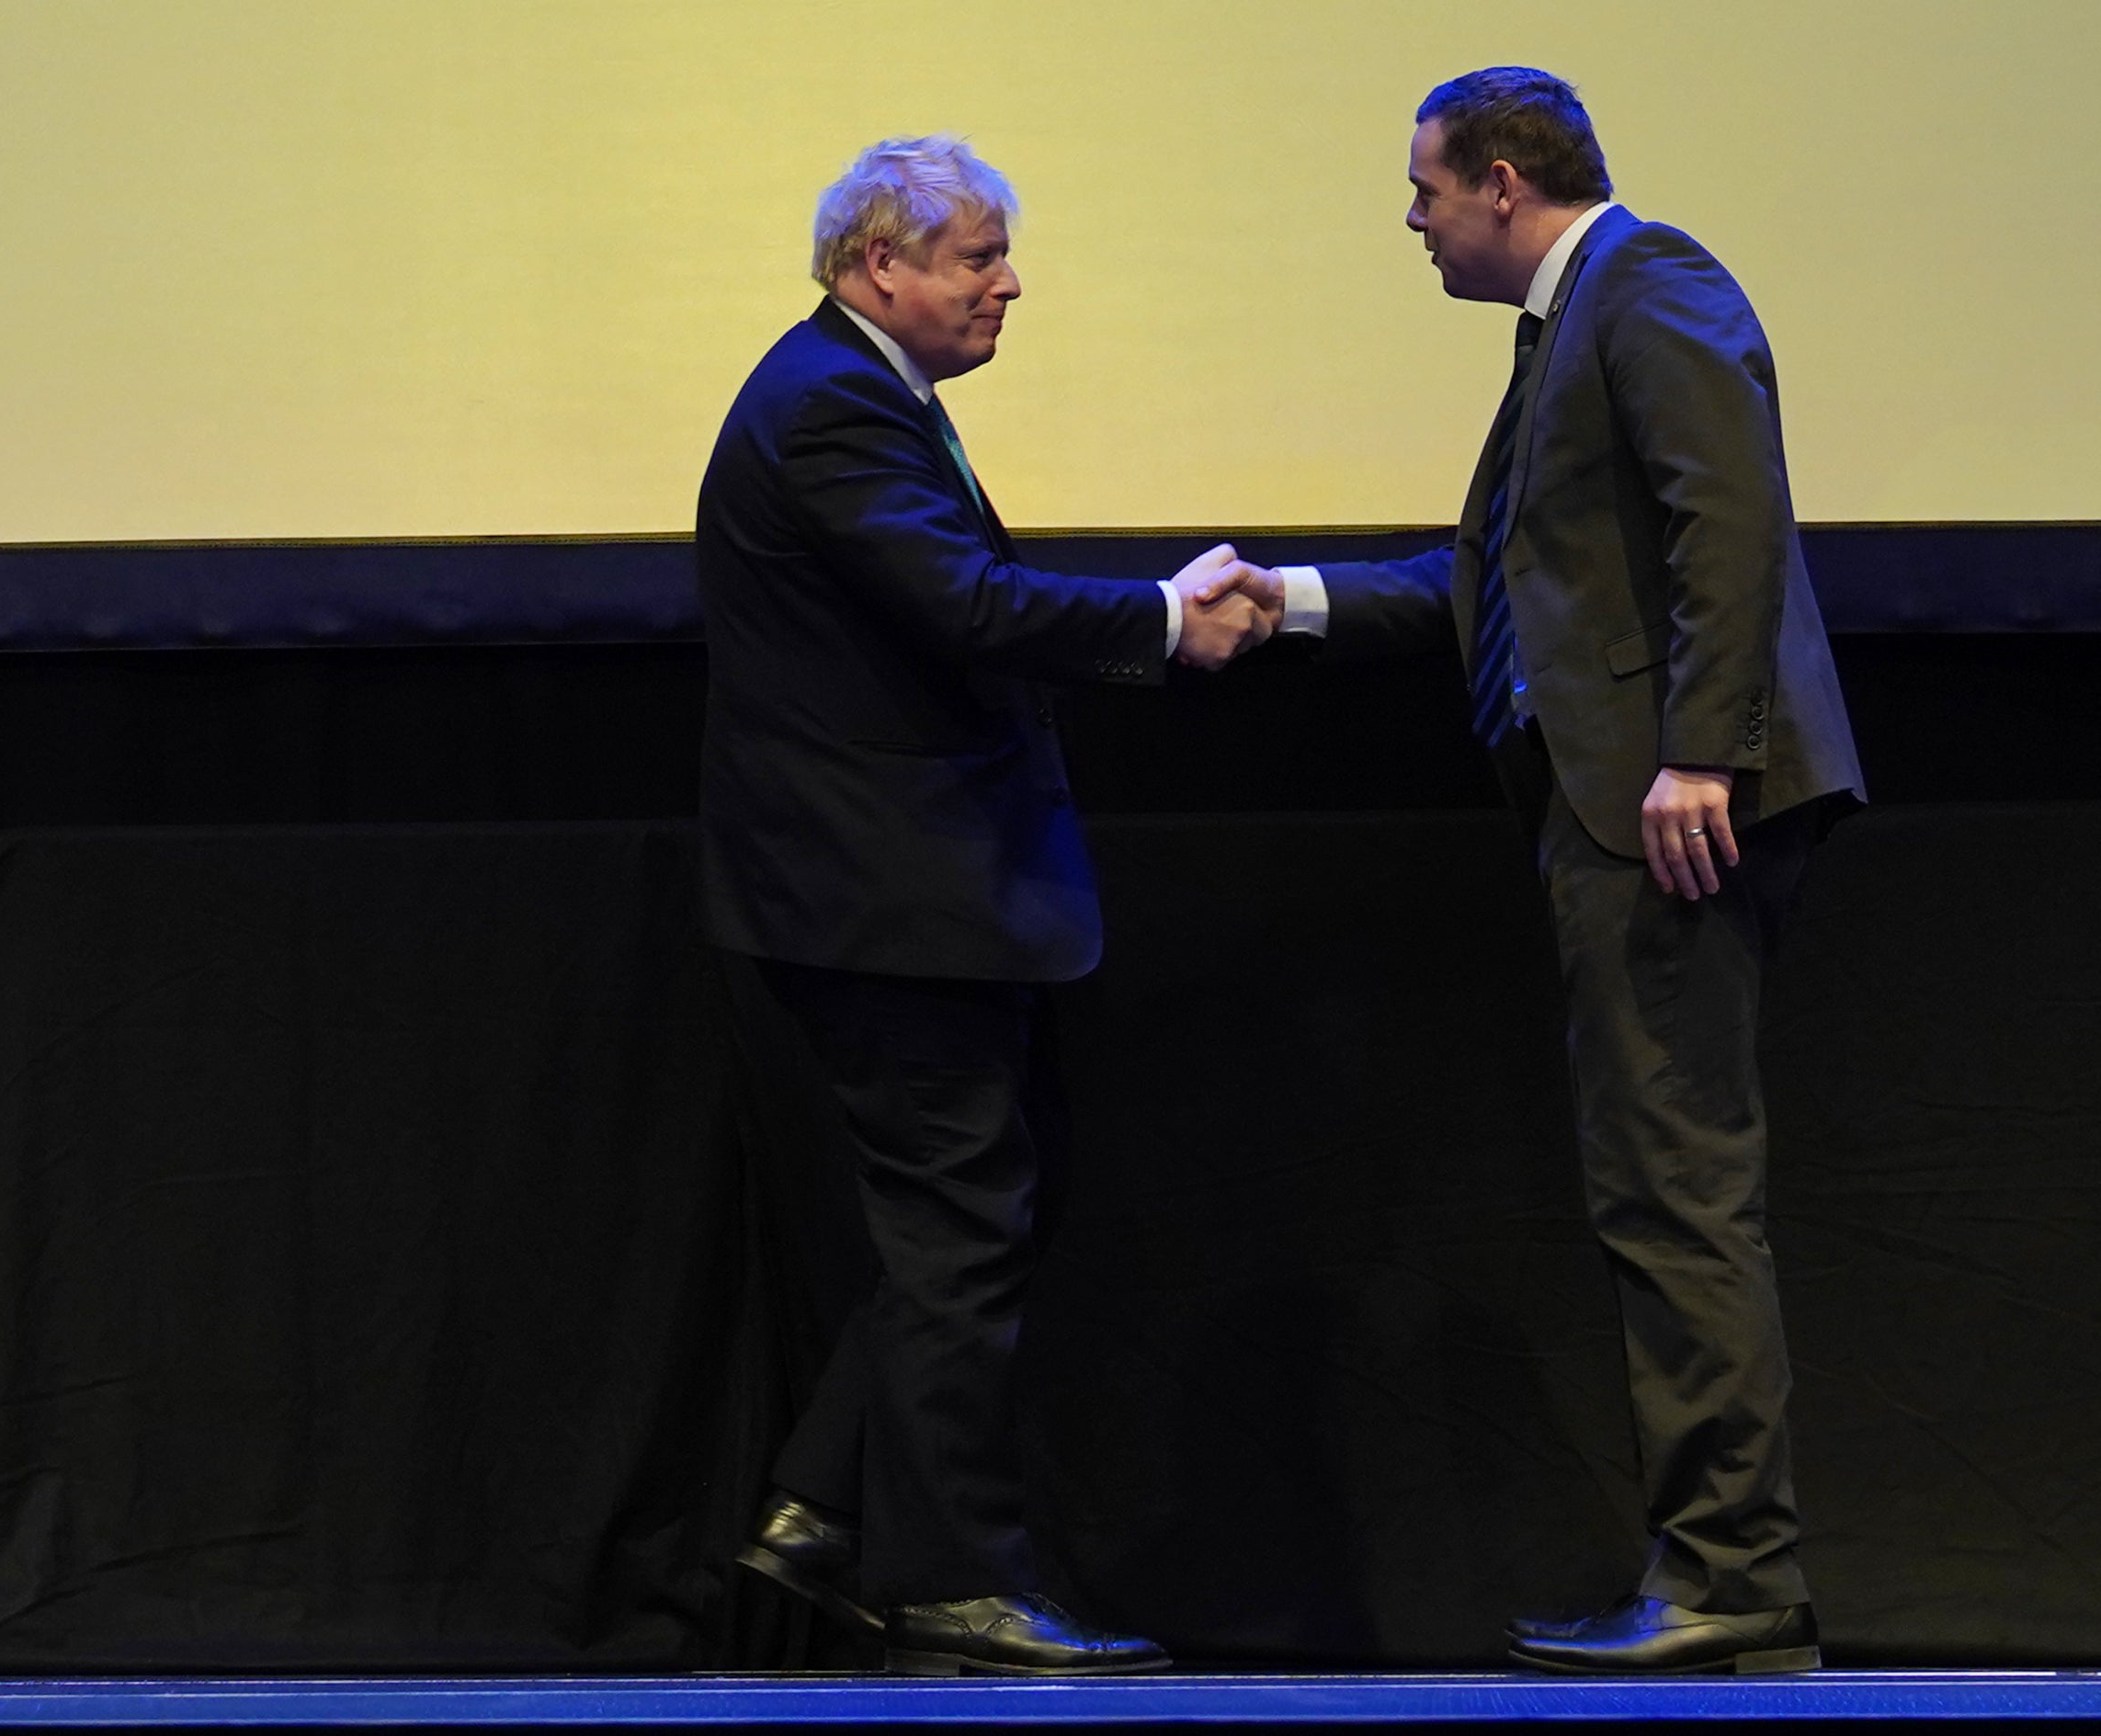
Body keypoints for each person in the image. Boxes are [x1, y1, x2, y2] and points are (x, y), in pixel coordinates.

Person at [1208, 67, 1864, 1674]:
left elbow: (1731, 515)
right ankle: (1717, 1568)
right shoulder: (1564, 328)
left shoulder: (1650, 281)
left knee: (1678, 1193)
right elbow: (1497, 579)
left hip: (1671, 808)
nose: (1414, 223)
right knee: (1656, 1187)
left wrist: (1700, 749)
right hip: (1620, 806)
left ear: (1503, 181)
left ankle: (1735, 1577)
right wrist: (1286, 599)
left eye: (1423, 192)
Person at [696, 134, 1275, 1677]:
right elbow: (965, 607)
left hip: (912, 895)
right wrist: (1161, 616)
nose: (1007, 281)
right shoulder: (828, 407)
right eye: (976, 255)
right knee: (963, 1231)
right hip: (886, 902)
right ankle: (950, 1579)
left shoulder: (859, 391)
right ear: (878, 265)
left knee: (981, 1216)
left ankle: (823, 1504)